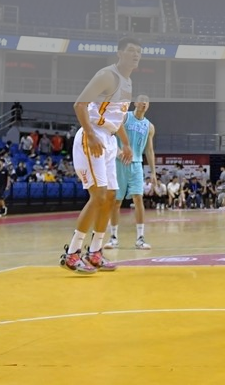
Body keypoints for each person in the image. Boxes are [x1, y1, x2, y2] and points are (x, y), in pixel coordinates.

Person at [59, 37, 140, 274]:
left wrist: (126, 144)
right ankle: (72, 253)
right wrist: (91, 134)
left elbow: (118, 118)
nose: (136, 55)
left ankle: (95, 252)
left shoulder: (128, 82)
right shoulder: (107, 75)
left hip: (110, 139)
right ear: (119, 53)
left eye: (139, 52)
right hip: (93, 136)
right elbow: (79, 104)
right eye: (131, 51)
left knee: (112, 197)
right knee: (98, 196)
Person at [106, 95, 156, 250]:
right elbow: (109, 135)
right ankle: (113, 238)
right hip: (119, 162)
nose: (144, 103)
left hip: (137, 164)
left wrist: (153, 172)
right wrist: (118, 151)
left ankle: (140, 238)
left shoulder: (149, 126)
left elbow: (149, 150)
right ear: (135, 103)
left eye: (147, 101)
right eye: (141, 100)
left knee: (138, 198)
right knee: (116, 201)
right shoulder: (124, 117)